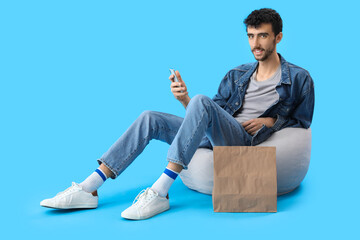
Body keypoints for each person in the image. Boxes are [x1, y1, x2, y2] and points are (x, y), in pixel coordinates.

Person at [40, 8, 315, 220]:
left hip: (245, 141)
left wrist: (271, 120)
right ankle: (90, 187)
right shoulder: (237, 74)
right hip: (219, 132)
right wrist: (185, 99)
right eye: (251, 36)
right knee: (151, 117)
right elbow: (209, 113)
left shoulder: (300, 78)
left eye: (263, 36)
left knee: (201, 100)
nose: (255, 43)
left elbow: (302, 121)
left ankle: (160, 191)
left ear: (278, 37)